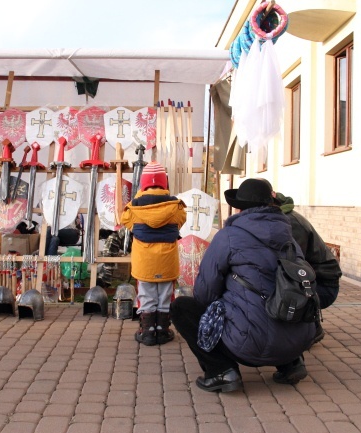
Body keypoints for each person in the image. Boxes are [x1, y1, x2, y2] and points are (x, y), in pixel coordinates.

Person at [170, 178, 316, 392]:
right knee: (281, 293)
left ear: (239, 208)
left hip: (250, 345)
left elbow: (205, 291)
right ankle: (291, 364)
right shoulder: (289, 236)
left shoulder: (229, 236)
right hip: (299, 340)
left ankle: (221, 371)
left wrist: (220, 304)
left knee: (182, 308)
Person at [260, 179, 343, 343]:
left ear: (272, 196)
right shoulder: (277, 218)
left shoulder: (289, 223)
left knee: (272, 284)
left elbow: (292, 267)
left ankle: (309, 326)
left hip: (323, 285)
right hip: (312, 279)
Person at [120, 162, 187, 346]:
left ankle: (148, 332)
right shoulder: (176, 206)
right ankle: (163, 331)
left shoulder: (134, 208)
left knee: (146, 295)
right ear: (165, 183)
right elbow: (181, 221)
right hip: (167, 261)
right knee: (165, 294)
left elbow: (125, 220)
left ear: (143, 183)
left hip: (144, 262)